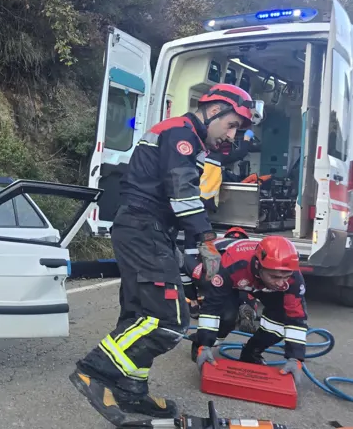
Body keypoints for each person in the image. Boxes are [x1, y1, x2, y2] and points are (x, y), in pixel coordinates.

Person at [69, 84, 260, 425]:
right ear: (213, 110)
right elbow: (182, 193)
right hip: (144, 227)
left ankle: (131, 389)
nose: (232, 135)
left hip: (146, 228)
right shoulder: (180, 134)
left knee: (139, 315)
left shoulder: (188, 138)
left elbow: (179, 197)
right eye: (232, 125)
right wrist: (206, 239)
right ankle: (94, 370)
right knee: (168, 319)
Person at [192, 236, 307, 387]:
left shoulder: (293, 279)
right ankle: (200, 344)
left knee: (280, 321)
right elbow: (211, 307)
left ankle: (251, 352)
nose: (280, 283)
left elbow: (296, 319)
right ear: (258, 265)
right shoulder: (232, 265)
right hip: (236, 280)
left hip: (261, 285)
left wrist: (295, 358)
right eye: (275, 276)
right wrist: (205, 344)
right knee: (227, 317)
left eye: (285, 277)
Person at [200, 129, 260, 212]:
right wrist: (246, 139)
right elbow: (240, 153)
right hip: (207, 203)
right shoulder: (214, 157)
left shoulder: (200, 155)